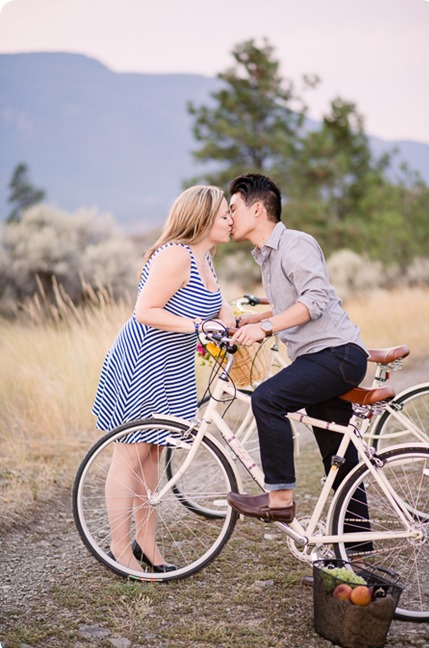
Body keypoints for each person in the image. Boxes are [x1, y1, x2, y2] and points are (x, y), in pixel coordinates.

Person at [92, 185, 234, 572]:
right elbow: (145, 311)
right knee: (131, 455)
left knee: (154, 455)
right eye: (224, 214)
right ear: (202, 219)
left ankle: (148, 545)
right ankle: (121, 553)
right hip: (142, 362)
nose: (230, 220)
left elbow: (220, 314)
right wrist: (199, 327)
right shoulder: (175, 255)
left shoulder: (206, 260)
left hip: (173, 370)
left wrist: (244, 324)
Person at [226, 173, 369, 536]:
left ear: (257, 209)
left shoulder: (295, 243)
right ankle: (355, 559)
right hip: (320, 358)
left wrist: (266, 328)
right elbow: (288, 304)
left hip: (337, 354)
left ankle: (279, 498)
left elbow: (315, 300)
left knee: (266, 398)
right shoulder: (267, 256)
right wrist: (255, 318)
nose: (228, 218)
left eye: (233, 209)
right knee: (339, 459)